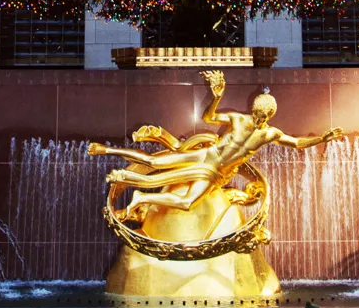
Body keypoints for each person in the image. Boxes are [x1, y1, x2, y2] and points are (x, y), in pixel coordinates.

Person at [88, 71, 343, 220]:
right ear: (253, 109)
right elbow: (209, 118)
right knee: (154, 162)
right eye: (256, 112)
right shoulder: (237, 119)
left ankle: (141, 197)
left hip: (215, 173)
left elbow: (297, 143)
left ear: (269, 115)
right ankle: (107, 150)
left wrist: (322, 138)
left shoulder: (270, 134)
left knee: (188, 202)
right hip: (205, 156)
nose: (257, 118)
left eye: (262, 116)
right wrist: (217, 97)